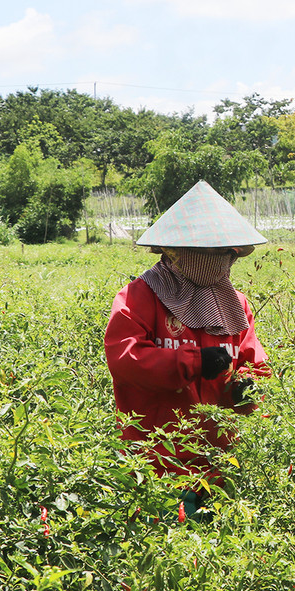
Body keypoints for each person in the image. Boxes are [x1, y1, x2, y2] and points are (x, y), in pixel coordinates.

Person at [104, 180, 270, 517]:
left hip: (219, 460)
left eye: (228, 254)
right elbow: (125, 360)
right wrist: (192, 362)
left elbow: (255, 361)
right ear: (176, 252)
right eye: (212, 253)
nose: (224, 262)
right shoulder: (139, 297)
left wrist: (250, 386)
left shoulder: (234, 303)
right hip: (158, 458)